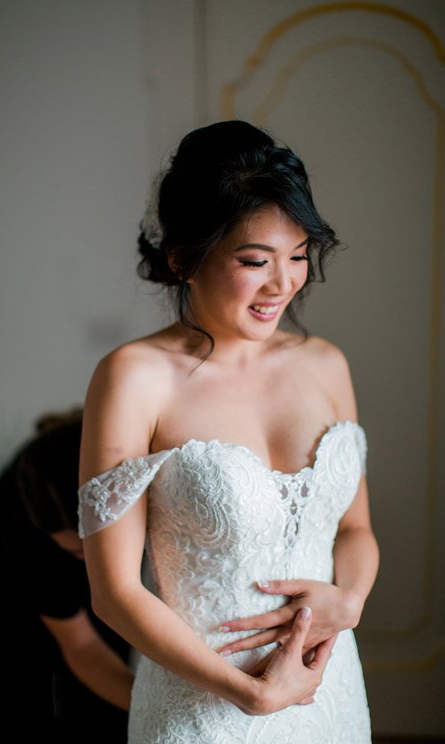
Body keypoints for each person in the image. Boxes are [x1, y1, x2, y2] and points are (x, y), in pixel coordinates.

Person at [77, 121, 378, 742]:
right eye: (254, 262)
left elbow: (354, 529)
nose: (283, 284)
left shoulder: (327, 364)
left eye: (297, 257)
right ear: (184, 257)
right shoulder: (133, 378)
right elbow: (113, 591)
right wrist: (251, 694)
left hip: (329, 694)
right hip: (203, 710)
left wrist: (349, 602)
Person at [0, 411, 132, 743]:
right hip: (16, 571)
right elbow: (84, 648)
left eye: (88, 550)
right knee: (22, 689)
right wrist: (155, 706)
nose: (86, 561)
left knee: (115, 644)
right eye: (76, 555)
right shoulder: (24, 534)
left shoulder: (122, 470)